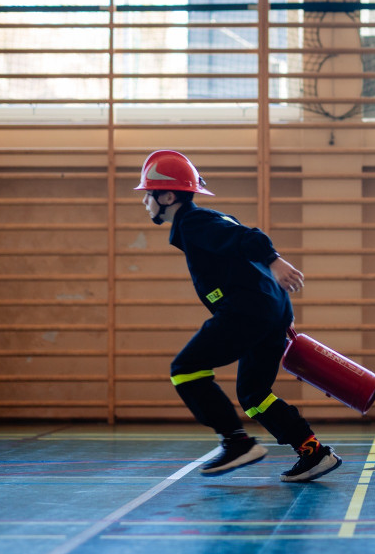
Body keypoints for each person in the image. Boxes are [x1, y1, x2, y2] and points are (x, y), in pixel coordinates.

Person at [136, 150, 342, 482]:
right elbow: (248, 259)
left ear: (168, 197)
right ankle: (313, 452)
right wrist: (281, 315)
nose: (144, 201)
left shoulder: (194, 222)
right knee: (253, 393)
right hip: (269, 311)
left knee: (185, 369)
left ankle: (236, 442)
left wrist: (275, 260)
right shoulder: (209, 221)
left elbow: (249, 239)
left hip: (247, 311)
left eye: (148, 194)